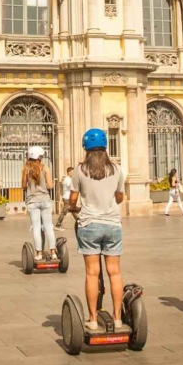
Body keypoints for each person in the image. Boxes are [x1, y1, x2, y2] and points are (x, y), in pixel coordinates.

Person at [69, 128, 127, 331]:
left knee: (92, 273)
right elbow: (120, 197)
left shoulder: (79, 171)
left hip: (89, 225)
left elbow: (73, 199)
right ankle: (118, 317)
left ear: (85, 147)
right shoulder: (117, 169)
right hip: (112, 225)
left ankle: (93, 319)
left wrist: (73, 207)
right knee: (115, 272)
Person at [23, 146, 56, 261]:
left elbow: (23, 186)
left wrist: (31, 186)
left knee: (36, 228)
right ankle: (53, 253)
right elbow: (51, 186)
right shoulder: (45, 168)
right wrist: (44, 186)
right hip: (45, 200)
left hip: (32, 201)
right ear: (40, 157)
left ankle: (39, 254)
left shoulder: (26, 169)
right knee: (48, 227)